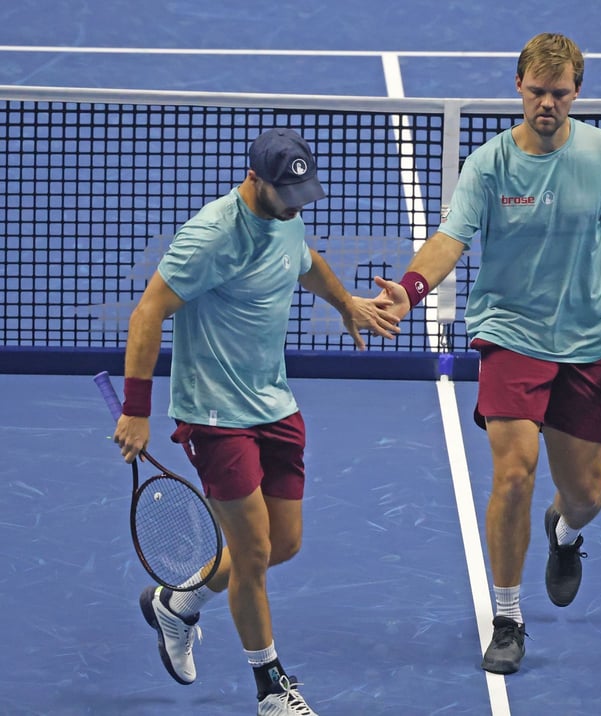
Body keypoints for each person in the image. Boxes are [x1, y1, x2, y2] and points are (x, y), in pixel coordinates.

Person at [373, 33, 601, 674]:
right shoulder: (489, 164)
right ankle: (507, 618)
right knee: (512, 475)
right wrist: (410, 291)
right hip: (509, 336)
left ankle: (565, 530)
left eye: (559, 93)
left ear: (577, 92)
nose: (547, 104)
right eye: (537, 92)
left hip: (587, 345)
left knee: (587, 494)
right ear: (519, 88)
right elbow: (450, 239)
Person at [112, 128, 399, 715]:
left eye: (302, 195)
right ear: (254, 179)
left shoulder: (285, 213)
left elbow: (304, 261)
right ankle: (271, 689)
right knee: (252, 553)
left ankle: (175, 603)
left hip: (274, 403)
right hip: (215, 414)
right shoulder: (211, 237)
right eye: (286, 194)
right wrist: (136, 409)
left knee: (282, 543)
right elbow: (147, 314)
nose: (296, 206)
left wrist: (346, 302)